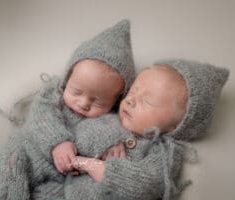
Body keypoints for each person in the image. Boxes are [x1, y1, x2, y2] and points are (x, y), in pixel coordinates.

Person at [0, 19, 136, 200]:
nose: (84, 103)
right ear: (67, 80)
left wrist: (115, 140)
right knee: (8, 164)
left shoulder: (111, 118)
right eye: (76, 91)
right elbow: (41, 116)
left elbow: (117, 130)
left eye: (98, 101)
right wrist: (58, 142)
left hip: (60, 178)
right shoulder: (51, 95)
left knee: (56, 195)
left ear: (116, 101)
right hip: (24, 154)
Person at [59, 59, 229, 200]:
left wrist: (89, 164)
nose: (131, 100)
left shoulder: (164, 154)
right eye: (133, 91)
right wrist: (110, 138)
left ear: (176, 126)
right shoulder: (109, 119)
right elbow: (80, 135)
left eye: (147, 101)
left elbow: (143, 186)